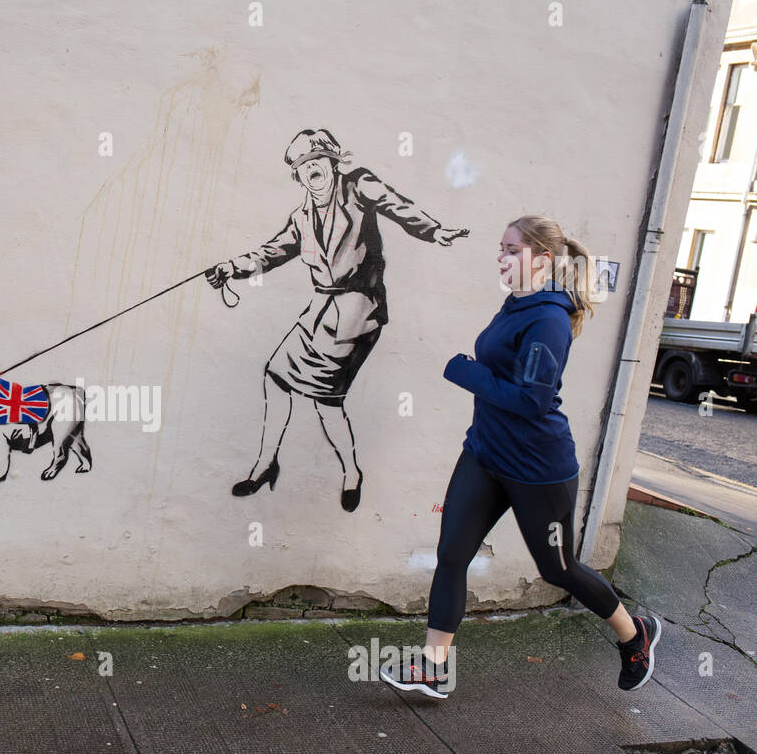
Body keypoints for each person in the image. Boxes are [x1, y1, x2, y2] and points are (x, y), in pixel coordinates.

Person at [381, 215, 661, 699]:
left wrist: (462, 372)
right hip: (485, 454)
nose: (501, 257)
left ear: (542, 259)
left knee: (558, 570)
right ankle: (433, 666)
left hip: (538, 469)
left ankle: (634, 634)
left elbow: (531, 399)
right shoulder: (517, 304)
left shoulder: (548, 319)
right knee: (451, 554)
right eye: (501, 248)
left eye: (511, 249)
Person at [205, 128, 468, 508]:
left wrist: (435, 231)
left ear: (332, 163)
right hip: (320, 313)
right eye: (303, 166)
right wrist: (231, 268)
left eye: (318, 161)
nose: (312, 169)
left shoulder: (358, 188)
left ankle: (350, 473)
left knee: (326, 400)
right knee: (276, 376)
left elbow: (397, 205)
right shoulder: (302, 217)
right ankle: (267, 463)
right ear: (297, 176)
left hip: (359, 312)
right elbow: (270, 253)